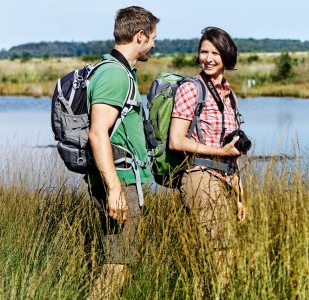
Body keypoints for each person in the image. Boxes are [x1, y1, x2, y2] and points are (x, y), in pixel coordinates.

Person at [86, 6, 158, 298]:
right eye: (152, 37)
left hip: (125, 180)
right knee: (116, 267)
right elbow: (97, 132)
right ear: (140, 36)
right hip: (122, 182)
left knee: (120, 263)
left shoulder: (119, 71)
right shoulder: (114, 75)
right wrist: (115, 189)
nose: (153, 44)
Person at [169, 27, 247, 285]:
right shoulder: (192, 89)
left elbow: (231, 151)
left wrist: (239, 196)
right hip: (199, 176)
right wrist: (219, 152)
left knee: (220, 254)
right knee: (222, 252)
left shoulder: (229, 94)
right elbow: (176, 141)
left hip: (225, 179)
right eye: (204, 51)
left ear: (227, 56)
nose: (209, 58)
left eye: (215, 52)